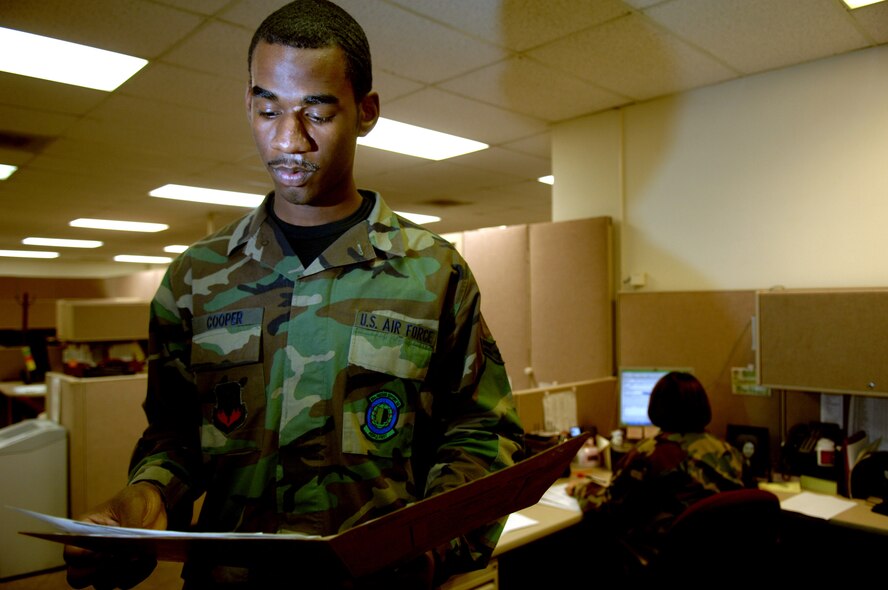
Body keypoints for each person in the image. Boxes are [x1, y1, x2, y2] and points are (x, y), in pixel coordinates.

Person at [63, 1, 524, 588]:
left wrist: (436, 549)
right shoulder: (196, 278)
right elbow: (175, 436)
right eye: (267, 108)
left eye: (317, 110)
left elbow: (481, 432)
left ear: (366, 112)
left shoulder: (432, 271)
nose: (289, 139)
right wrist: (147, 499)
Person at [567, 371, 744, 574]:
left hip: (665, 560)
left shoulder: (650, 453)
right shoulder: (729, 452)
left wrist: (581, 488)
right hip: (718, 561)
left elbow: (607, 508)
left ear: (657, 407)